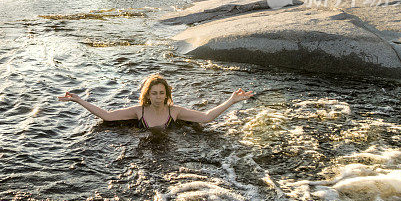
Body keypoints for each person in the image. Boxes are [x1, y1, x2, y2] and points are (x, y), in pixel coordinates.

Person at [58, 73, 254, 130]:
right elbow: (107, 116)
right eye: (154, 93)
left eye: (162, 93)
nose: (158, 97)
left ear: (166, 94)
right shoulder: (139, 111)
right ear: (148, 95)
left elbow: (206, 117)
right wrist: (79, 100)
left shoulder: (174, 111)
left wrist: (232, 100)